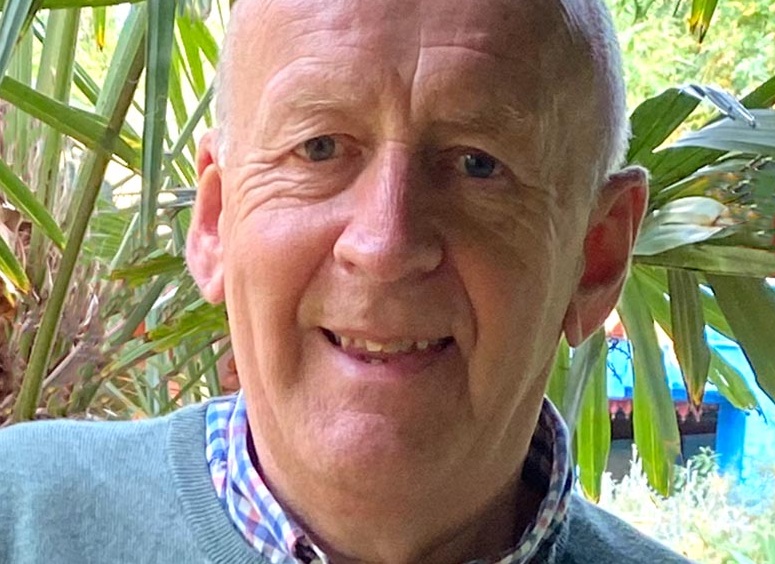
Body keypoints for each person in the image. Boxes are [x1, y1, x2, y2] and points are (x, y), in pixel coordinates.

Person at [0, 0, 692, 562]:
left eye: (477, 164)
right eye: (319, 148)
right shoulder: (19, 520)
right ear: (215, 221)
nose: (384, 245)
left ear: (595, 256)